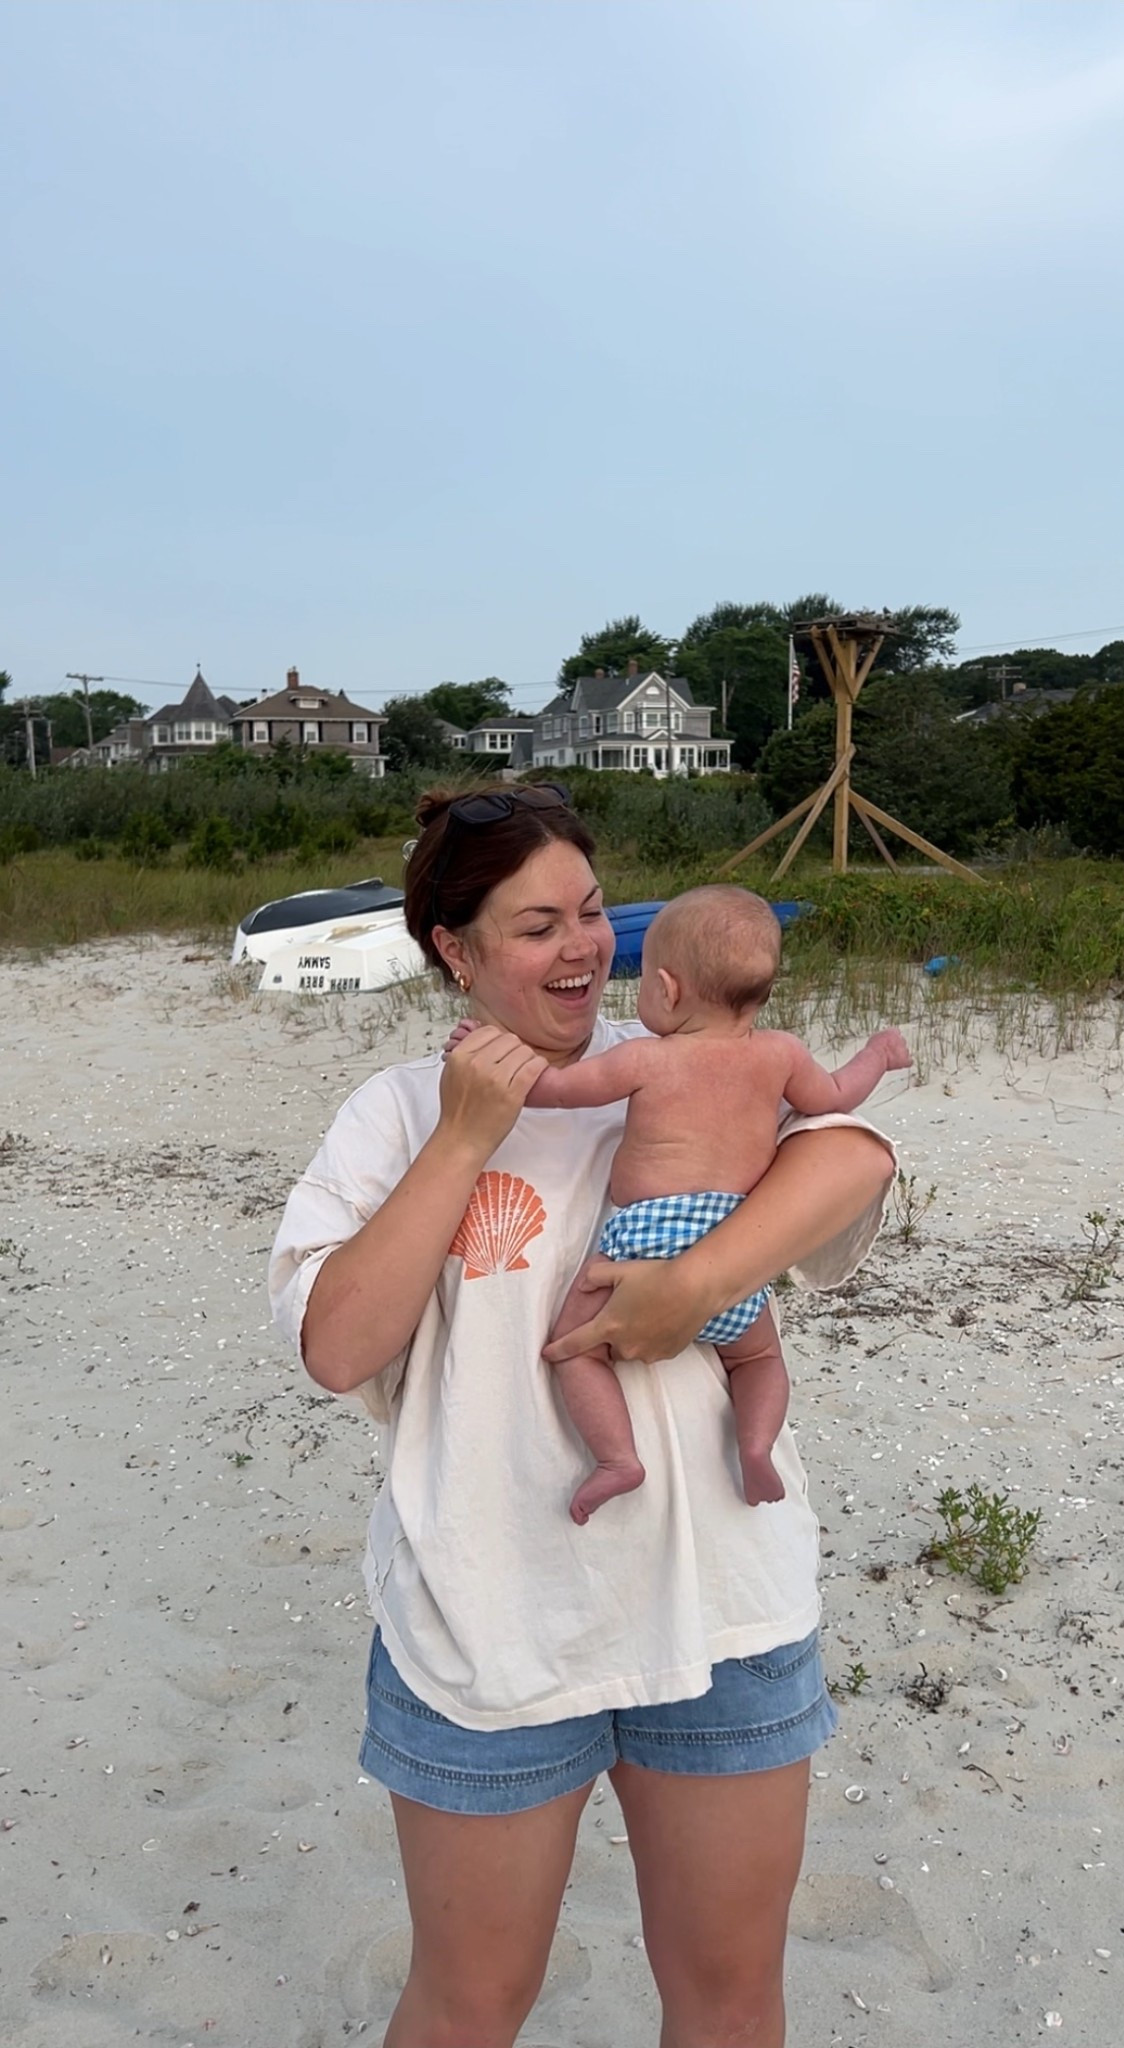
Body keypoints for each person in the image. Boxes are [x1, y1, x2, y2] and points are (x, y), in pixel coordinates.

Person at [269, 782, 896, 2048]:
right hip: (490, 1627)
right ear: (453, 948)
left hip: (721, 1611)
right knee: (470, 2001)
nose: (580, 948)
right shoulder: (397, 1109)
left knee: (729, 1998)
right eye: (535, 923)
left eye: (595, 912)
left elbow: (854, 1156)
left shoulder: (672, 1061)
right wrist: (464, 1139)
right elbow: (339, 1345)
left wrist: (695, 1290)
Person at [448, 885, 910, 1524]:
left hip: (646, 1234)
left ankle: (617, 1458)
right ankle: (755, 1444)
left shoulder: (645, 1058)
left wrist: (487, 1051)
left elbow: (552, 1090)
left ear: (666, 990)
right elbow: (835, 1097)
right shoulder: (781, 1056)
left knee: (575, 1350)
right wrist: (879, 1055)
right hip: (736, 1242)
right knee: (759, 1358)